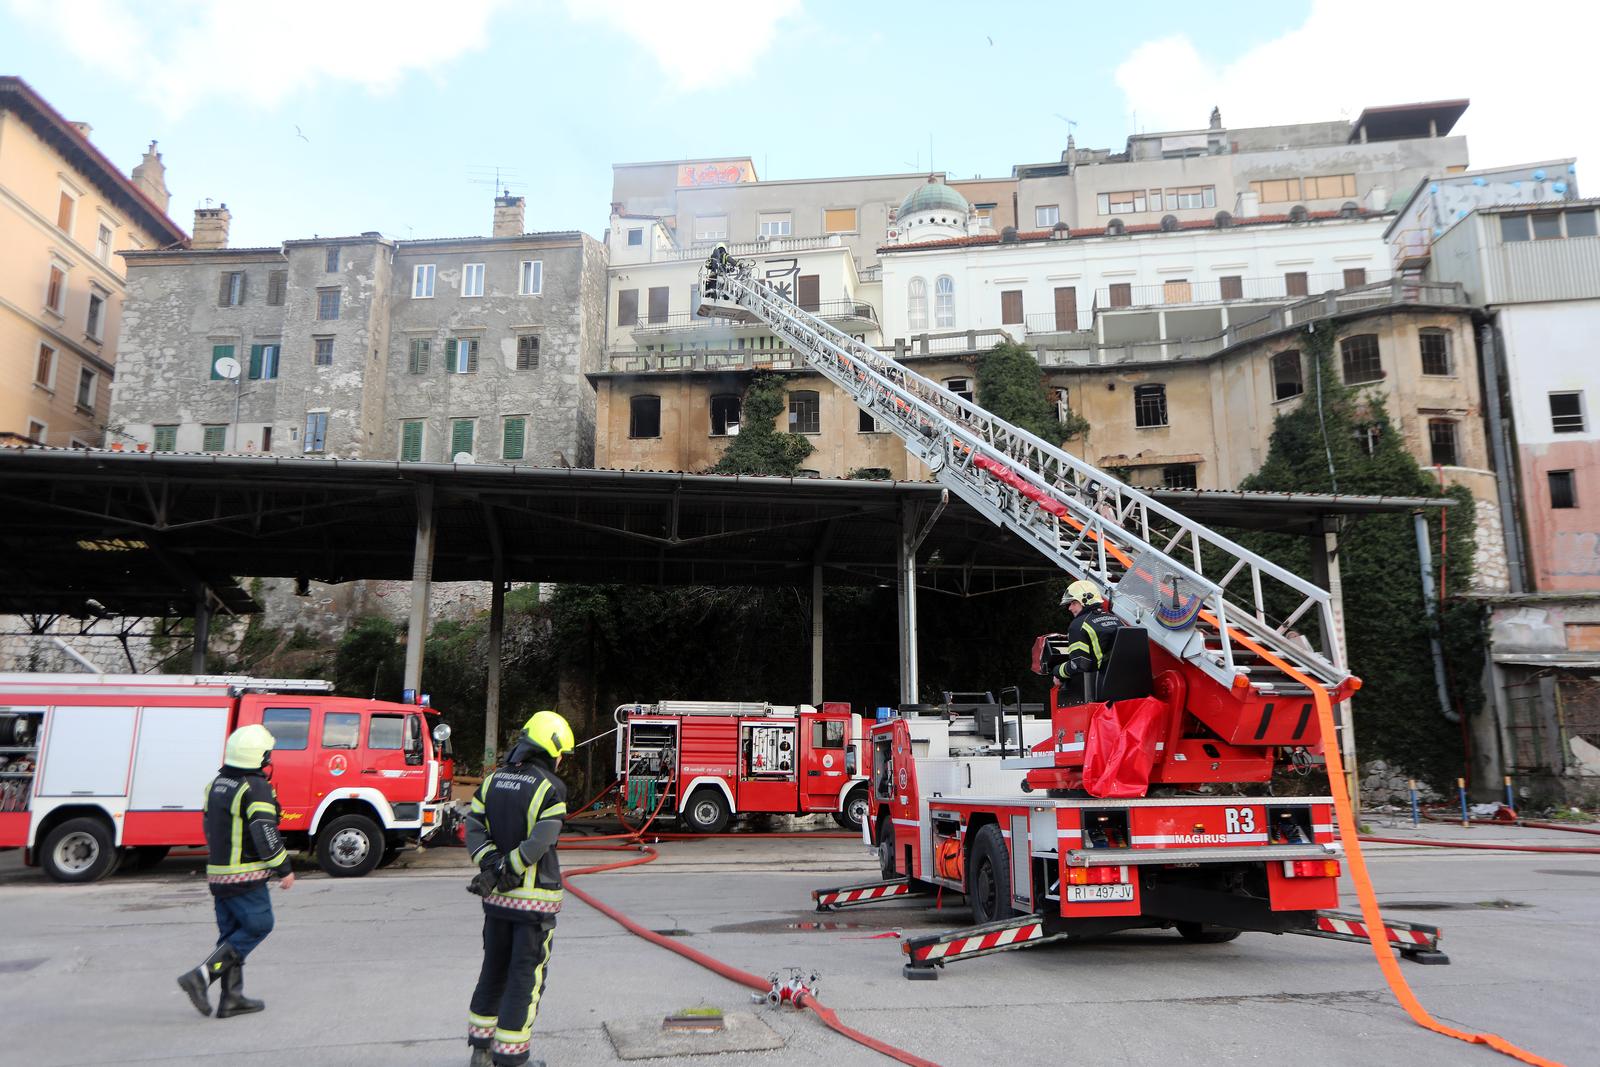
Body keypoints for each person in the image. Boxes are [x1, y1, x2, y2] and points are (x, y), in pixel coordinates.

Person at [465, 711, 574, 1067]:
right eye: (561, 753)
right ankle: (512, 1059)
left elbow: (473, 826)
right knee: (525, 979)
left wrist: (491, 865)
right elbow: (541, 841)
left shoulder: (493, 780)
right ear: (551, 747)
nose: (561, 760)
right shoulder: (550, 788)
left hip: (496, 901)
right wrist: (509, 868)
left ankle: (481, 1051)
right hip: (533, 905)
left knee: (493, 970)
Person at [177, 723, 294, 1018]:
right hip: (246, 875)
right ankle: (201, 977)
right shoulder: (254, 787)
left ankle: (232, 998)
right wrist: (284, 868)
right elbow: (265, 832)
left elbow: (210, 826)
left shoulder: (216, 784)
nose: (269, 758)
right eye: (267, 754)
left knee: (231, 935)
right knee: (259, 925)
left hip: (218, 874)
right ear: (260, 756)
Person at [1054, 579, 1124, 702]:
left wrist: (1057, 672)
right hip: (1128, 686)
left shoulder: (1078, 625)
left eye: (1073, 603)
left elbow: (1079, 664)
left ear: (1085, 600)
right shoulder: (1117, 620)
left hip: (1102, 693)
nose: (1070, 608)